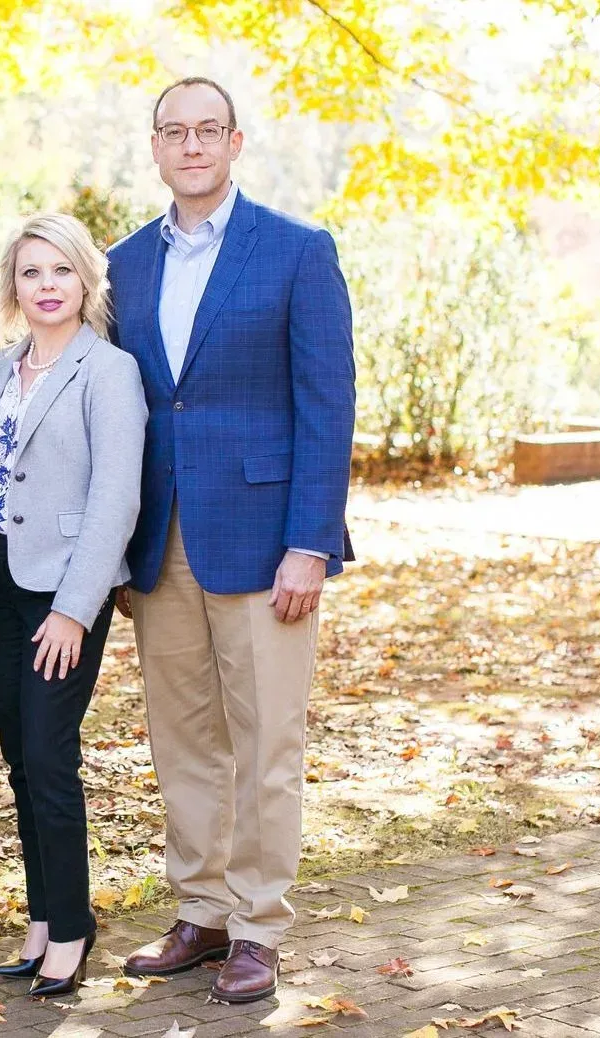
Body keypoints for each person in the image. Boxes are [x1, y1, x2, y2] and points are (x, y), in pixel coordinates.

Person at [108, 76, 357, 1005]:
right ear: (157, 147)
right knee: (183, 738)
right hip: (160, 539)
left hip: (267, 544)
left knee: (267, 742)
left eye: (209, 129)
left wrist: (311, 543)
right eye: (175, 131)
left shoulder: (296, 252)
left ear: (236, 142)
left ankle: (258, 925)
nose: (193, 144)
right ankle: (202, 910)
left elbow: (328, 406)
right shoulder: (123, 265)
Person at [0, 212, 147, 998]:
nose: (47, 286)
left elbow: (117, 496)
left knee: (48, 753)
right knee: (17, 758)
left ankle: (72, 927)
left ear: (86, 281)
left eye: (61, 271)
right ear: (15, 284)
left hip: (64, 589)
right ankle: (42, 919)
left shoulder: (109, 371)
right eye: (32, 272)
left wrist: (76, 607)